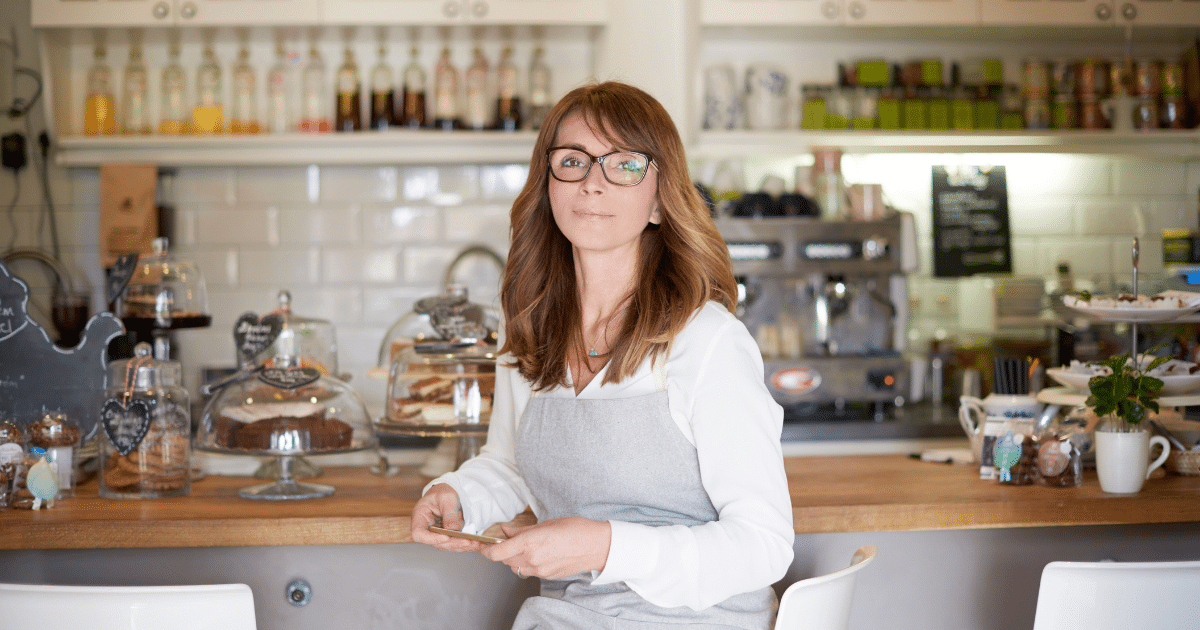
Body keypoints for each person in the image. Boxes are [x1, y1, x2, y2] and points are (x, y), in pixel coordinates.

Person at [410, 80, 794, 630]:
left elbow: (763, 544)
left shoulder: (708, 342)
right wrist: (457, 494)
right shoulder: (529, 329)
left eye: (624, 165)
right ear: (549, 184)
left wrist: (605, 548)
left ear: (660, 199)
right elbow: (512, 463)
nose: (593, 183)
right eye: (573, 161)